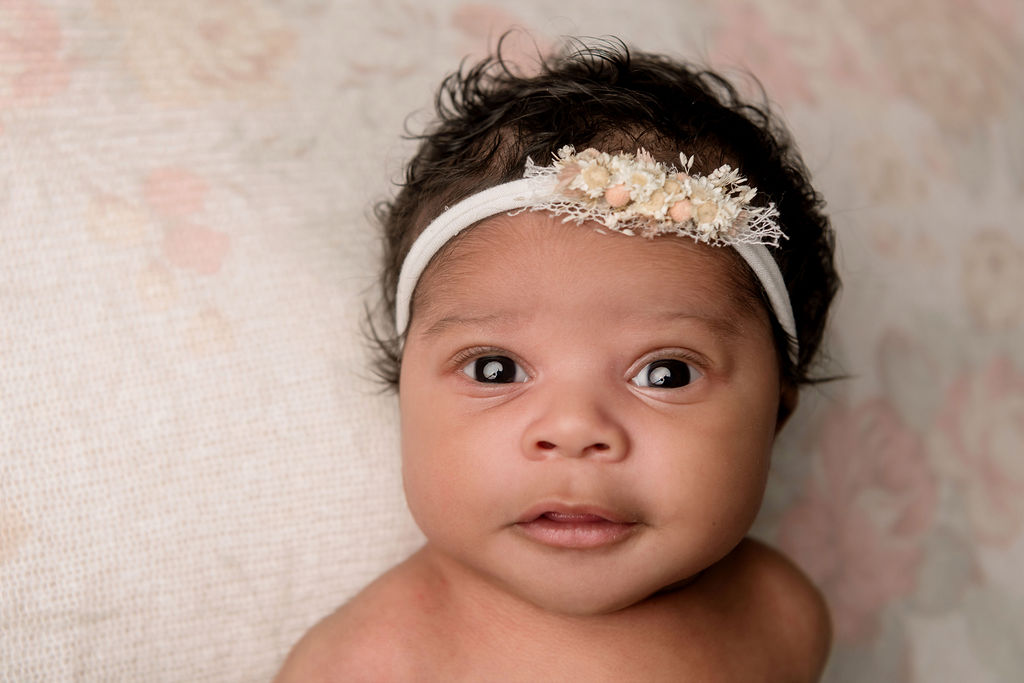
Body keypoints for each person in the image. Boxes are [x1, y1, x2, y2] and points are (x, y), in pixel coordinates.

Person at [277, 37, 839, 682]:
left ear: (776, 415)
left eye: (667, 373)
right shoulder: (369, 665)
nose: (574, 429)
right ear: (404, 397)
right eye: (495, 370)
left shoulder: (779, 613)